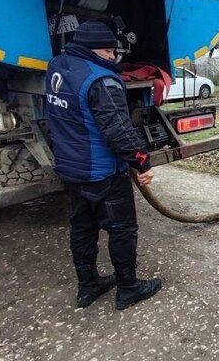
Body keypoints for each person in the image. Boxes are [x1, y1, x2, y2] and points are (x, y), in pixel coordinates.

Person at [45, 20, 162, 310]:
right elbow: (119, 131)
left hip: (71, 170)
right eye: (110, 52)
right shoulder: (103, 81)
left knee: (82, 228)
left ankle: (88, 287)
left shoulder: (57, 66)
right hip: (102, 173)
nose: (113, 58)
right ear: (95, 50)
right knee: (122, 229)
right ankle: (128, 288)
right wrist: (142, 161)